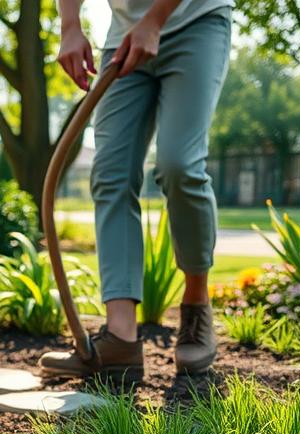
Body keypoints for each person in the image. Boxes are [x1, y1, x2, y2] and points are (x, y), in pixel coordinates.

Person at [39, 0, 232, 381]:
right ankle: (121, 339)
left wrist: (155, 19)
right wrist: (70, 25)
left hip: (197, 20)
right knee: (110, 173)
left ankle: (196, 306)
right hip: (124, 37)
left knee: (179, 165)